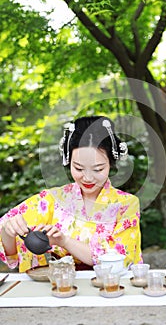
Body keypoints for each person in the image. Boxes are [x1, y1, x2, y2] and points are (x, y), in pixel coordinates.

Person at [0, 116, 143, 272]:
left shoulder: (126, 204)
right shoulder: (51, 199)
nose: (87, 178)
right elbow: (9, 246)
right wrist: (8, 231)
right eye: (79, 168)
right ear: (68, 161)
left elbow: (120, 259)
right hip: (60, 285)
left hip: (108, 286)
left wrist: (65, 241)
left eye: (98, 169)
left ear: (111, 163)